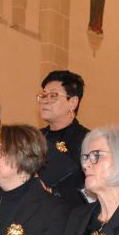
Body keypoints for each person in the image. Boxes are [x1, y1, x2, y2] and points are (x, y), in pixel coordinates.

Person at [38, 70, 90, 208]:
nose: (45, 101)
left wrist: (52, 192)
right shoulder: (34, 137)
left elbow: (90, 191)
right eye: (43, 95)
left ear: (72, 102)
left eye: (53, 95)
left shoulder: (87, 141)